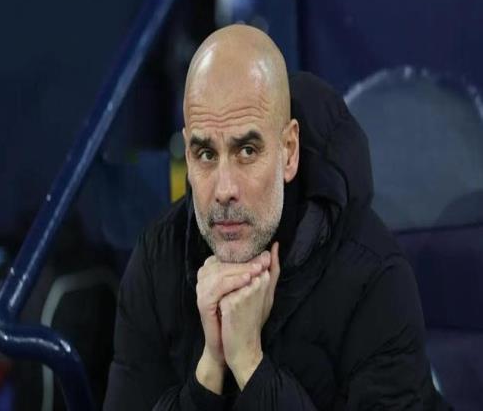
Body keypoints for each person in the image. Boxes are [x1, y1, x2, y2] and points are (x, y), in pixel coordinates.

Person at [103, 25, 450, 410]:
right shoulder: (156, 262)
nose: (224, 189)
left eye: (247, 151)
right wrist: (210, 370)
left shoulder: (374, 276)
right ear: (187, 153)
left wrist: (249, 363)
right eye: (206, 154)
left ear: (289, 151)